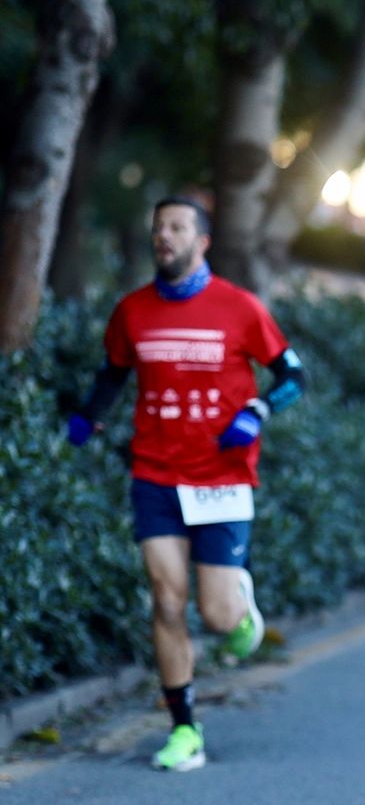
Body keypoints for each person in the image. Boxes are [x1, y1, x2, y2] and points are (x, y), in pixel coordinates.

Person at [65, 196, 305, 772]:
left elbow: (293, 374)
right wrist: (87, 416)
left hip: (221, 477)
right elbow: (114, 372)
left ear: (203, 242)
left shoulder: (240, 307)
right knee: (167, 601)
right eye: (157, 228)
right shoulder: (131, 311)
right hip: (155, 474)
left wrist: (257, 412)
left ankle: (239, 611)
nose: (163, 237)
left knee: (217, 619)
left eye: (176, 227)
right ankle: (184, 729)